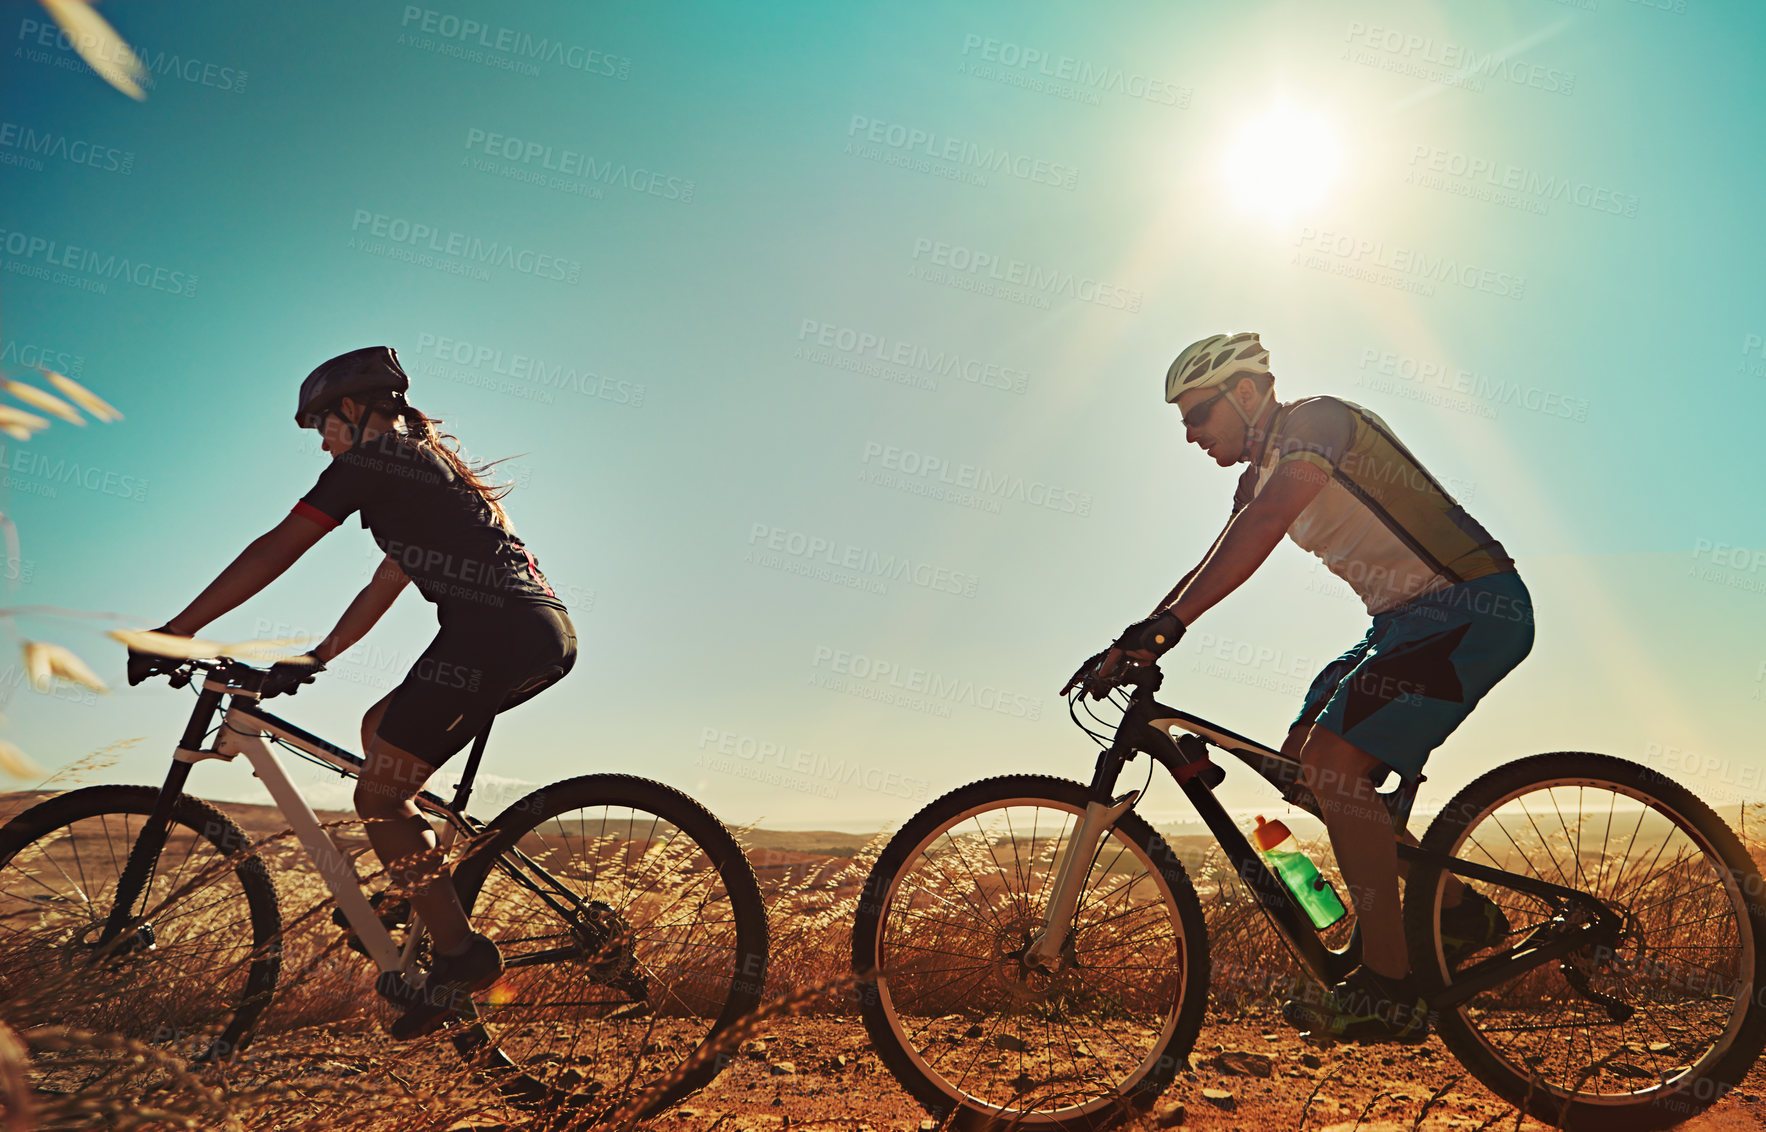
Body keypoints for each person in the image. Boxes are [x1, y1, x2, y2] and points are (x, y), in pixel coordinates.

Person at [1078, 331, 1531, 1042]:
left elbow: (1266, 523)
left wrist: (1168, 628)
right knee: (1300, 769)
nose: (1191, 434)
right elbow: (1211, 561)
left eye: (1199, 414)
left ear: (1248, 393)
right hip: (1401, 624)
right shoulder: (1252, 477)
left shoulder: (1316, 422)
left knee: (1332, 763)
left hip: (1472, 605)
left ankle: (1388, 987)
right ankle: (1454, 912)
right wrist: (1134, 636)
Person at [127, 345, 577, 1039]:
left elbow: (279, 547)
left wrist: (177, 630)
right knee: (378, 729)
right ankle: (421, 887)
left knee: (377, 796)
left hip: (492, 637)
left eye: (322, 426)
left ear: (355, 409)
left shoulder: (374, 462)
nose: (323, 441)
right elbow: (385, 585)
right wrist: (317, 656)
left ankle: (464, 960)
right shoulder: (426, 473)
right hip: (532, 632)